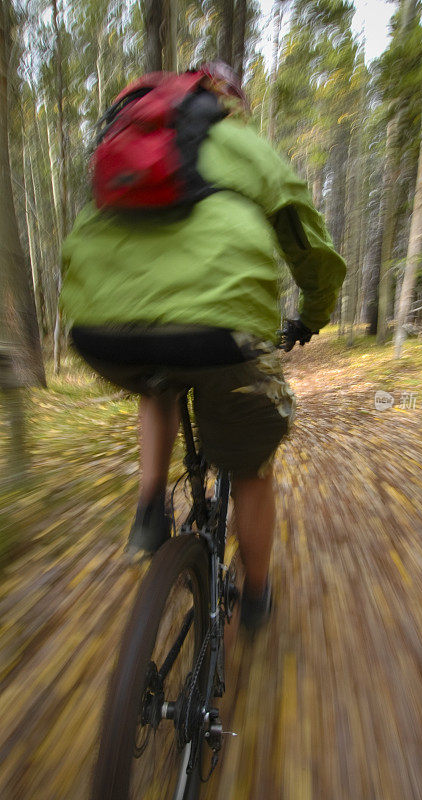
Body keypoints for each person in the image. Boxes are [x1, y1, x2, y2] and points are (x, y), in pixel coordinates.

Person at [61, 62, 345, 630]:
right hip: (221, 331)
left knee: (158, 386)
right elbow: (307, 241)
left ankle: (148, 509)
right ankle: (259, 598)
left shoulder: (126, 140)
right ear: (229, 102)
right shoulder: (242, 144)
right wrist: (312, 317)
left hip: (102, 329)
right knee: (250, 468)